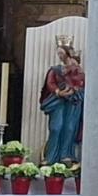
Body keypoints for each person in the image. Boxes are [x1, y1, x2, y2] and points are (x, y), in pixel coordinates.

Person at [38, 35, 85, 164]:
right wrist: (59, 92)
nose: (59, 55)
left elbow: (81, 82)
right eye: (58, 52)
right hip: (58, 101)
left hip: (73, 101)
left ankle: (66, 155)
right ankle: (51, 157)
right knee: (56, 127)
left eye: (61, 52)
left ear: (67, 53)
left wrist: (74, 89)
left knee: (70, 127)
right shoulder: (55, 70)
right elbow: (50, 83)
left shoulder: (78, 70)